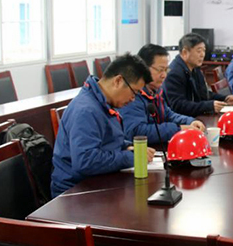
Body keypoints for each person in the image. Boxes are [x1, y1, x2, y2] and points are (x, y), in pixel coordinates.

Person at [51, 53, 156, 198]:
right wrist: (131, 157)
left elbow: (107, 140)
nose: (133, 99)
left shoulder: (102, 102)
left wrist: (127, 146)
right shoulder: (86, 110)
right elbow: (86, 161)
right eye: (134, 92)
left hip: (95, 184)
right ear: (118, 81)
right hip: (74, 193)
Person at [120, 43, 205, 144]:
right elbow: (137, 132)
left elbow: (168, 114)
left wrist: (190, 121)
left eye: (166, 70)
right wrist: (178, 129)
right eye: (160, 70)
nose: (164, 75)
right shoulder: (132, 94)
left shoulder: (155, 90)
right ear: (143, 68)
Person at [164, 33, 233, 116]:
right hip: (182, 120)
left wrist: (225, 98)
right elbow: (178, 106)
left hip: (195, 116)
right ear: (185, 52)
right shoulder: (174, 73)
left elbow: (203, 94)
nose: (202, 55)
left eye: (204, 50)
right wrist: (208, 106)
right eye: (199, 51)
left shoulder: (195, 69)